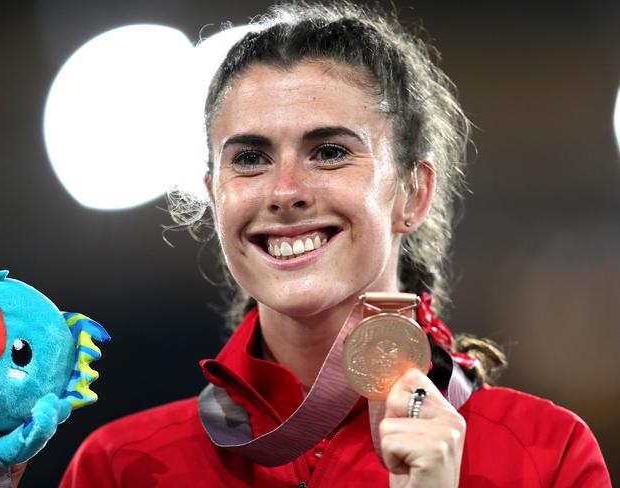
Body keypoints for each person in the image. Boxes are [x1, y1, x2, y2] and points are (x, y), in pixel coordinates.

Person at [58, 2, 611, 487]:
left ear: (412, 194)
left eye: (329, 152)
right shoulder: (121, 466)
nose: (285, 191)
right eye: (249, 158)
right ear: (214, 195)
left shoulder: (546, 456)